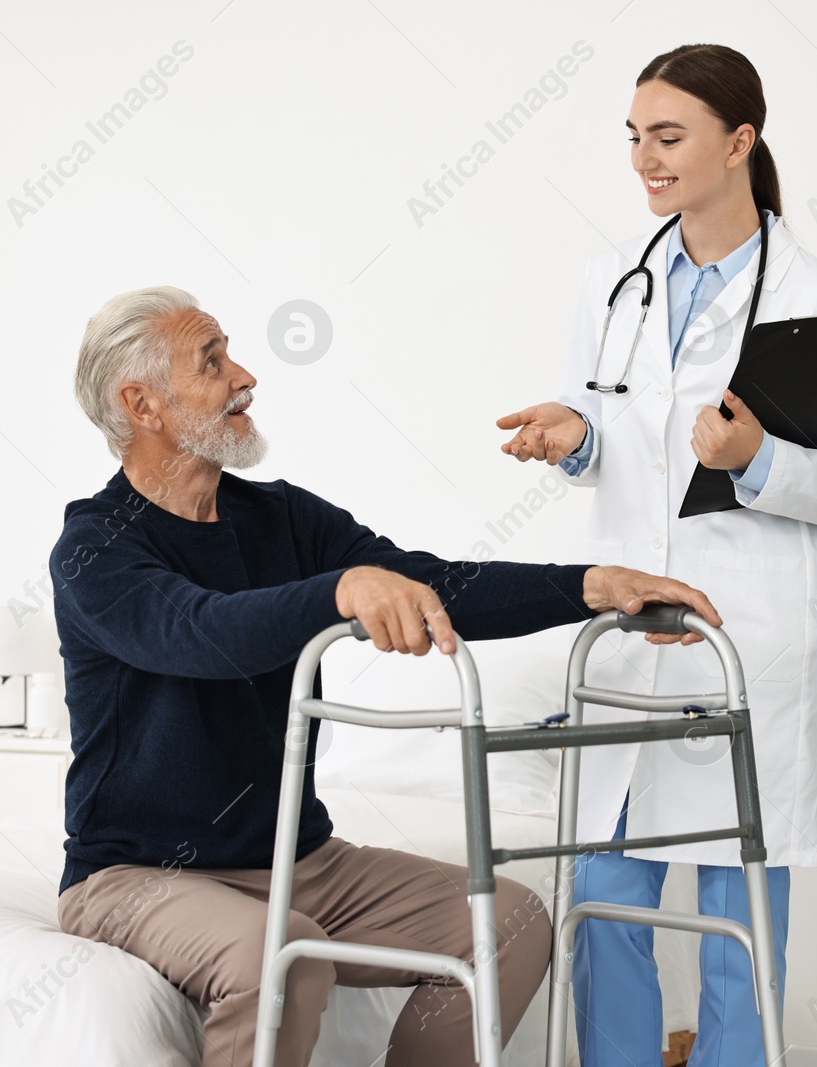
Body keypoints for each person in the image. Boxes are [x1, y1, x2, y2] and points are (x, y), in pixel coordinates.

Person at [50, 285, 724, 1067]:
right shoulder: (95, 548)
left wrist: (591, 584)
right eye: (213, 361)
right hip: (136, 876)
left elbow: (435, 581)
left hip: (301, 862)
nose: (245, 376)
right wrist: (338, 590)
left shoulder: (280, 519)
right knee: (280, 953)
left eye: (230, 352)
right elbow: (200, 632)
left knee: (511, 921)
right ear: (144, 404)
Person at [496, 44, 817, 1067]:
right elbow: (615, 440)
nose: (643, 159)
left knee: (737, 921)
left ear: (738, 142)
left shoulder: (812, 289)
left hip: (743, 645)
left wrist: (757, 460)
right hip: (631, 644)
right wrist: (569, 435)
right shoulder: (613, 281)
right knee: (601, 905)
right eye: (634, 136)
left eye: (666, 136)